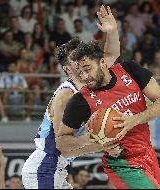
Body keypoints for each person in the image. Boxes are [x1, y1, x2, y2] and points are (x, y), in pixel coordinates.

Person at [21, 6, 120, 189]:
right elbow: (62, 146)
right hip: (44, 168)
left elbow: (112, 55)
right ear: (67, 68)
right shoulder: (66, 94)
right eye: (75, 58)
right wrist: (97, 142)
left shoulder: (91, 84)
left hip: (58, 169)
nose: (81, 59)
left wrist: (112, 31)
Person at [56, 37, 160, 189]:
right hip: (121, 163)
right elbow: (61, 141)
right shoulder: (80, 101)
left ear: (102, 62)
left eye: (88, 69)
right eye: (80, 72)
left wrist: (133, 120)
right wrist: (89, 139)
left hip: (147, 152)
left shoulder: (129, 69)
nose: (84, 76)